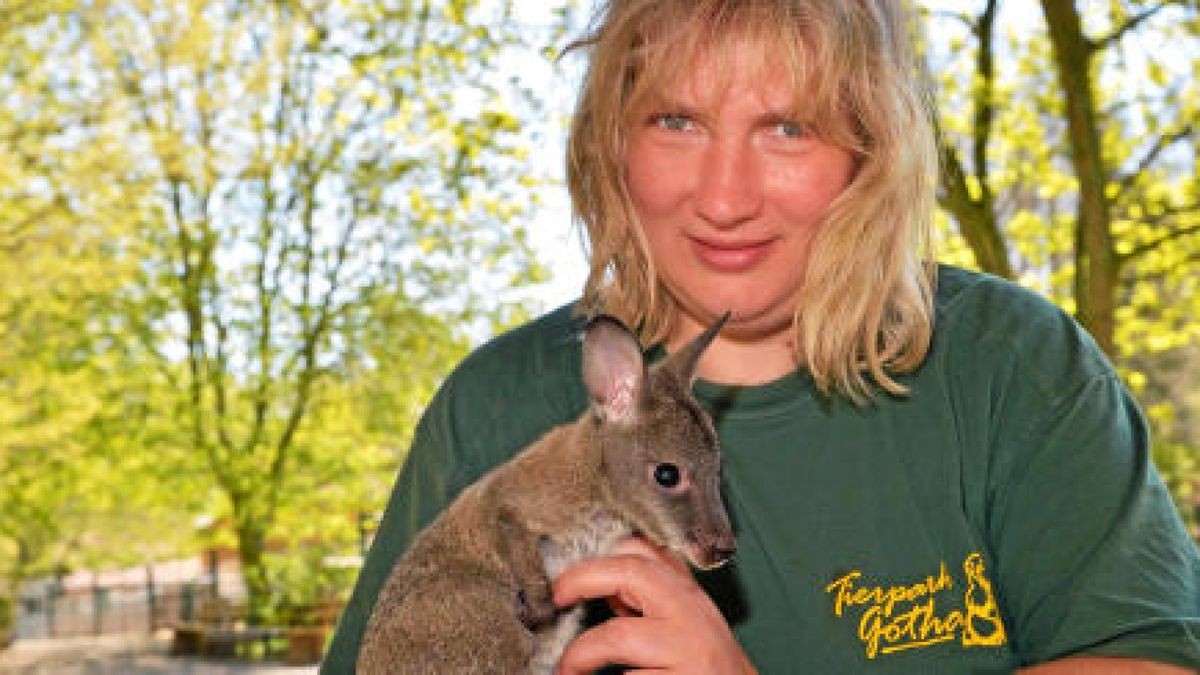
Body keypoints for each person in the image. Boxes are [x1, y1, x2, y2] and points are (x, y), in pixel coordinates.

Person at [323, 0, 1200, 672]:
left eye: (789, 127)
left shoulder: (1015, 371)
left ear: (872, 147)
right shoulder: (493, 408)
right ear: (611, 138)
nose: (726, 197)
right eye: (678, 120)